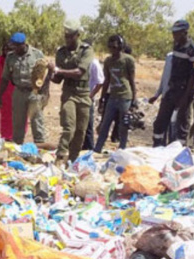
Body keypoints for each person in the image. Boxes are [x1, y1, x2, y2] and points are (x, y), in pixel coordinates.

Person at [152, 20, 194, 147]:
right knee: (160, 122)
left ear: (185, 32)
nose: (174, 35)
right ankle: (157, 146)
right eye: (173, 33)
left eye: (177, 33)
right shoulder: (177, 46)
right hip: (172, 90)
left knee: (181, 126)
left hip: (184, 91)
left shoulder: (193, 51)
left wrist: (185, 97)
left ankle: (179, 152)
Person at [52, 19, 94, 163]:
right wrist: (49, 73)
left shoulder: (86, 50)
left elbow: (80, 72)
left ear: (77, 35)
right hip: (69, 92)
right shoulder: (61, 53)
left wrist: (59, 70)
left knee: (81, 130)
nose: (68, 39)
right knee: (69, 127)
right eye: (66, 36)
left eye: (70, 36)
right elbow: (57, 79)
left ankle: (73, 160)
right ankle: (60, 157)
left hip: (83, 93)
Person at [0, 32, 47, 144]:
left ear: (23, 44)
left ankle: (40, 149)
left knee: (37, 122)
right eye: (13, 46)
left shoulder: (37, 54)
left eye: (16, 46)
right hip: (19, 93)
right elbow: (5, 78)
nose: (14, 48)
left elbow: (45, 75)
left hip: (34, 93)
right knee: (18, 124)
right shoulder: (10, 57)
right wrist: (0, 96)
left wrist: (44, 93)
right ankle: (18, 149)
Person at [94, 34, 135, 153]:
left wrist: (134, 100)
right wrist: (102, 98)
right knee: (105, 124)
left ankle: (122, 149)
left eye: (115, 47)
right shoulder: (108, 61)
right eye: (110, 47)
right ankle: (98, 149)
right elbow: (106, 80)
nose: (112, 50)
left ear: (121, 46)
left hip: (125, 96)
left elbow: (132, 80)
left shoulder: (128, 60)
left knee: (123, 126)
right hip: (112, 97)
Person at [148, 50, 173, 142]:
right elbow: (164, 78)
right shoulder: (169, 56)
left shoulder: (188, 55)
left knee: (174, 126)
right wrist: (157, 94)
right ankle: (159, 147)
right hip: (166, 96)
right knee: (160, 124)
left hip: (178, 98)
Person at [83, 53, 105, 150]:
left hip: (88, 98)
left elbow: (100, 82)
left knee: (88, 126)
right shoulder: (78, 61)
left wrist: (91, 95)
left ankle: (89, 148)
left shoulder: (94, 62)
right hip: (77, 97)